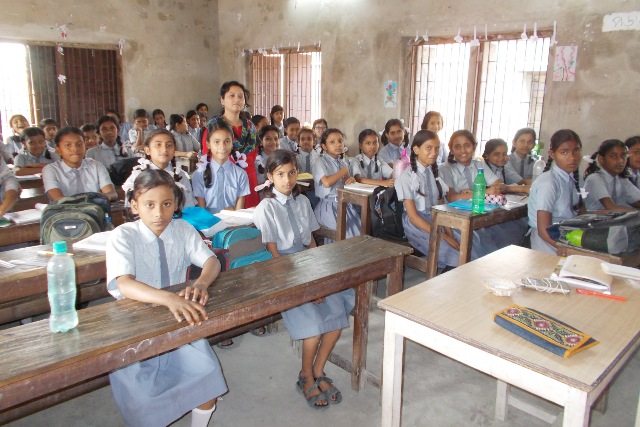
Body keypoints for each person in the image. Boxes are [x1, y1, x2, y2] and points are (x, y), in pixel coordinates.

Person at [106, 168, 227, 427]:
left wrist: (201, 283)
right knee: (146, 400)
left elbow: (212, 261)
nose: (159, 213)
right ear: (134, 206)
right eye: (149, 205)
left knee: (207, 376)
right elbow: (124, 284)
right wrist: (168, 299)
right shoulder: (123, 235)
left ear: (176, 204)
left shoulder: (182, 229)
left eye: (167, 204)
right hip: (136, 324)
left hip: (177, 317)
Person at [253, 149, 351, 409]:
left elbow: (311, 243)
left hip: (308, 264)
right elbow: (274, 253)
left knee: (336, 316)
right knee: (313, 328)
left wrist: (318, 277)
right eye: (280, 174)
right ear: (270, 176)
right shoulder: (266, 207)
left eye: (292, 173)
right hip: (282, 269)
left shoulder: (303, 202)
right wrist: (308, 288)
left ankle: (318, 370)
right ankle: (305, 375)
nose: (287, 180)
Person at [395, 130, 460, 269]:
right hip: (417, 225)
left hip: (437, 219)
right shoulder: (406, 177)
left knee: (465, 243)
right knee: (453, 254)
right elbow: (413, 217)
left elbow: (441, 209)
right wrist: (444, 236)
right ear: (416, 150)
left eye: (437, 148)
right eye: (428, 148)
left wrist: (449, 232)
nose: (434, 152)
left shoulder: (434, 173)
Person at [527, 129, 584, 254]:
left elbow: (580, 213)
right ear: (552, 154)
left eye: (576, 151)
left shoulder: (573, 178)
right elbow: (543, 231)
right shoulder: (548, 182)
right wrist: (569, 251)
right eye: (564, 152)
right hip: (549, 244)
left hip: (569, 237)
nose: (572, 157)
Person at [205, 81, 260, 208]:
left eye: (240, 96)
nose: (237, 99)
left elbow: (253, 156)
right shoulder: (214, 125)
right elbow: (206, 155)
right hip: (223, 179)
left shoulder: (250, 127)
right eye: (232, 95)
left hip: (249, 179)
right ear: (222, 100)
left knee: (249, 218)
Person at [122, 129, 197, 208]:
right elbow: (131, 208)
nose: (164, 149)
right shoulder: (138, 176)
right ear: (147, 150)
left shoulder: (180, 175)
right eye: (158, 145)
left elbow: (188, 207)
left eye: (169, 145)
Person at [42, 126, 117, 202]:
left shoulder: (96, 166)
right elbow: (58, 199)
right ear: (58, 150)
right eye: (68, 145)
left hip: (95, 208)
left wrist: (101, 198)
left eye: (79, 144)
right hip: (66, 209)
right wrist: (92, 199)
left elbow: (112, 194)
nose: (75, 149)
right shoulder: (51, 170)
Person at [192, 118, 250, 214]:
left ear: (232, 143)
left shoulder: (241, 174)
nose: (222, 147)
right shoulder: (199, 174)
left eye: (227, 141)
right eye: (216, 142)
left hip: (233, 222)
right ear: (208, 144)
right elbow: (202, 212)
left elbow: (239, 213)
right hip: (208, 222)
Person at [313, 128, 360, 241]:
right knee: (346, 234)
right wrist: (343, 171)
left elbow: (346, 182)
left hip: (344, 204)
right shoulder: (320, 162)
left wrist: (351, 180)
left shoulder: (342, 163)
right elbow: (327, 183)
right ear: (324, 146)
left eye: (340, 141)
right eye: (332, 142)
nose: (338, 144)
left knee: (359, 230)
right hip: (328, 206)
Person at [439, 130, 504, 201]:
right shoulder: (445, 169)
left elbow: (498, 186)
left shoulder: (480, 164)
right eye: (457, 147)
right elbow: (452, 198)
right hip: (454, 208)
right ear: (451, 150)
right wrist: (483, 192)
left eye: (467, 146)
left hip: (479, 206)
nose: (463, 150)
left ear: (474, 147)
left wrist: (473, 193)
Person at [584, 139, 640, 211]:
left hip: (614, 218)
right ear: (601, 159)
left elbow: (638, 201)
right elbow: (612, 208)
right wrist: (635, 211)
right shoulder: (594, 179)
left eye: (623, 156)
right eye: (613, 156)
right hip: (595, 218)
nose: (620, 160)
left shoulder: (621, 179)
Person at [255, 125, 279, 194]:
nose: (273, 142)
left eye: (276, 139)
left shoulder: (282, 159)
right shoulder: (256, 162)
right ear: (261, 142)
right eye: (268, 139)